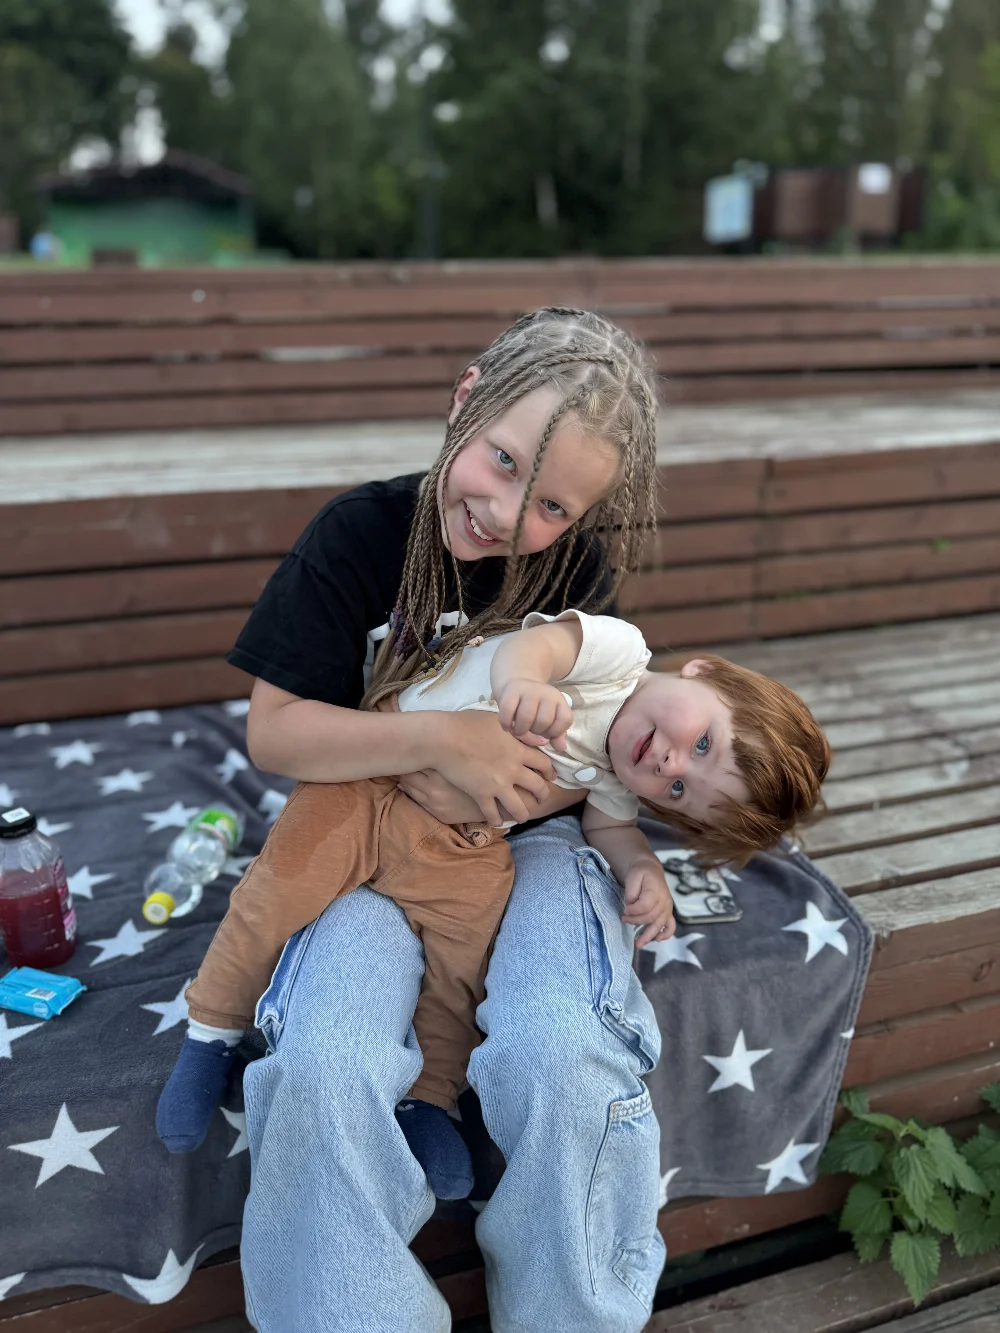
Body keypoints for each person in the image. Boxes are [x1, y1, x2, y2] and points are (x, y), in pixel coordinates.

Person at [198, 307, 670, 1332]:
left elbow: (583, 748)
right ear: (465, 399)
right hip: (365, 841)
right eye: (500, 461)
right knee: (323, 1064)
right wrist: (439, 743)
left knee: (563, 1049)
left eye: (550, 505)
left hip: (526, 847)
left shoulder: (575, 574)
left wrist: (522, 792)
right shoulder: (360, 535)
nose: (505, 512)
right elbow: (275, 732)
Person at [157, 612, 829, 1204]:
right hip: (371, 776)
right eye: (703, 741)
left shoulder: (617, 776)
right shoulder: (619, 653)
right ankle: (211, 1030)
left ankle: (429, 1097)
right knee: (278, 891)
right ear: (704, 672)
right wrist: (523, 685)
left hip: (459, 841)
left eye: (679, 790)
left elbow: (611, 827)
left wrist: (643, 867)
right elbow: (535, 648)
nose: (670, 763)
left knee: (467, 956)